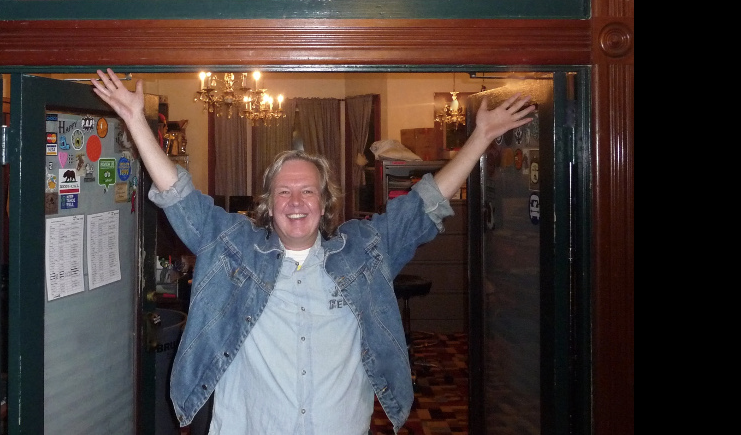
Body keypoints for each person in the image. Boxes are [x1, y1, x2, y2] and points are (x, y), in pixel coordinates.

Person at [92, 68, 534, 435]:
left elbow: (426, 204)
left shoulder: (364, 252)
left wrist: (481, 138)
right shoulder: (235, 251)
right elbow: (181, 198)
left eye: (308, 190)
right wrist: (134, 122)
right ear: (268, 204)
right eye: (284, 192)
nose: (296, 201)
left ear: (325, 202)